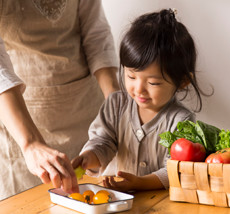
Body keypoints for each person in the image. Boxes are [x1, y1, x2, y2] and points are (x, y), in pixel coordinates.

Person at [72, 8, 208, 191]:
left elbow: (177, 169)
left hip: (158, 205)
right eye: (131, 76)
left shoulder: (181, 120)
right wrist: (87, 158)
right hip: (112, 199)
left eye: (153, 83)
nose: (138, 89)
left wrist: (141, 183)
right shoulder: (115, 105)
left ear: (183, 81)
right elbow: (103, 142)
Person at [0, 0, 119, 200]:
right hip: (20, 121)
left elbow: (96, 35)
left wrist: (116, 102)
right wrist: (30, 143)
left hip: (85, 112)